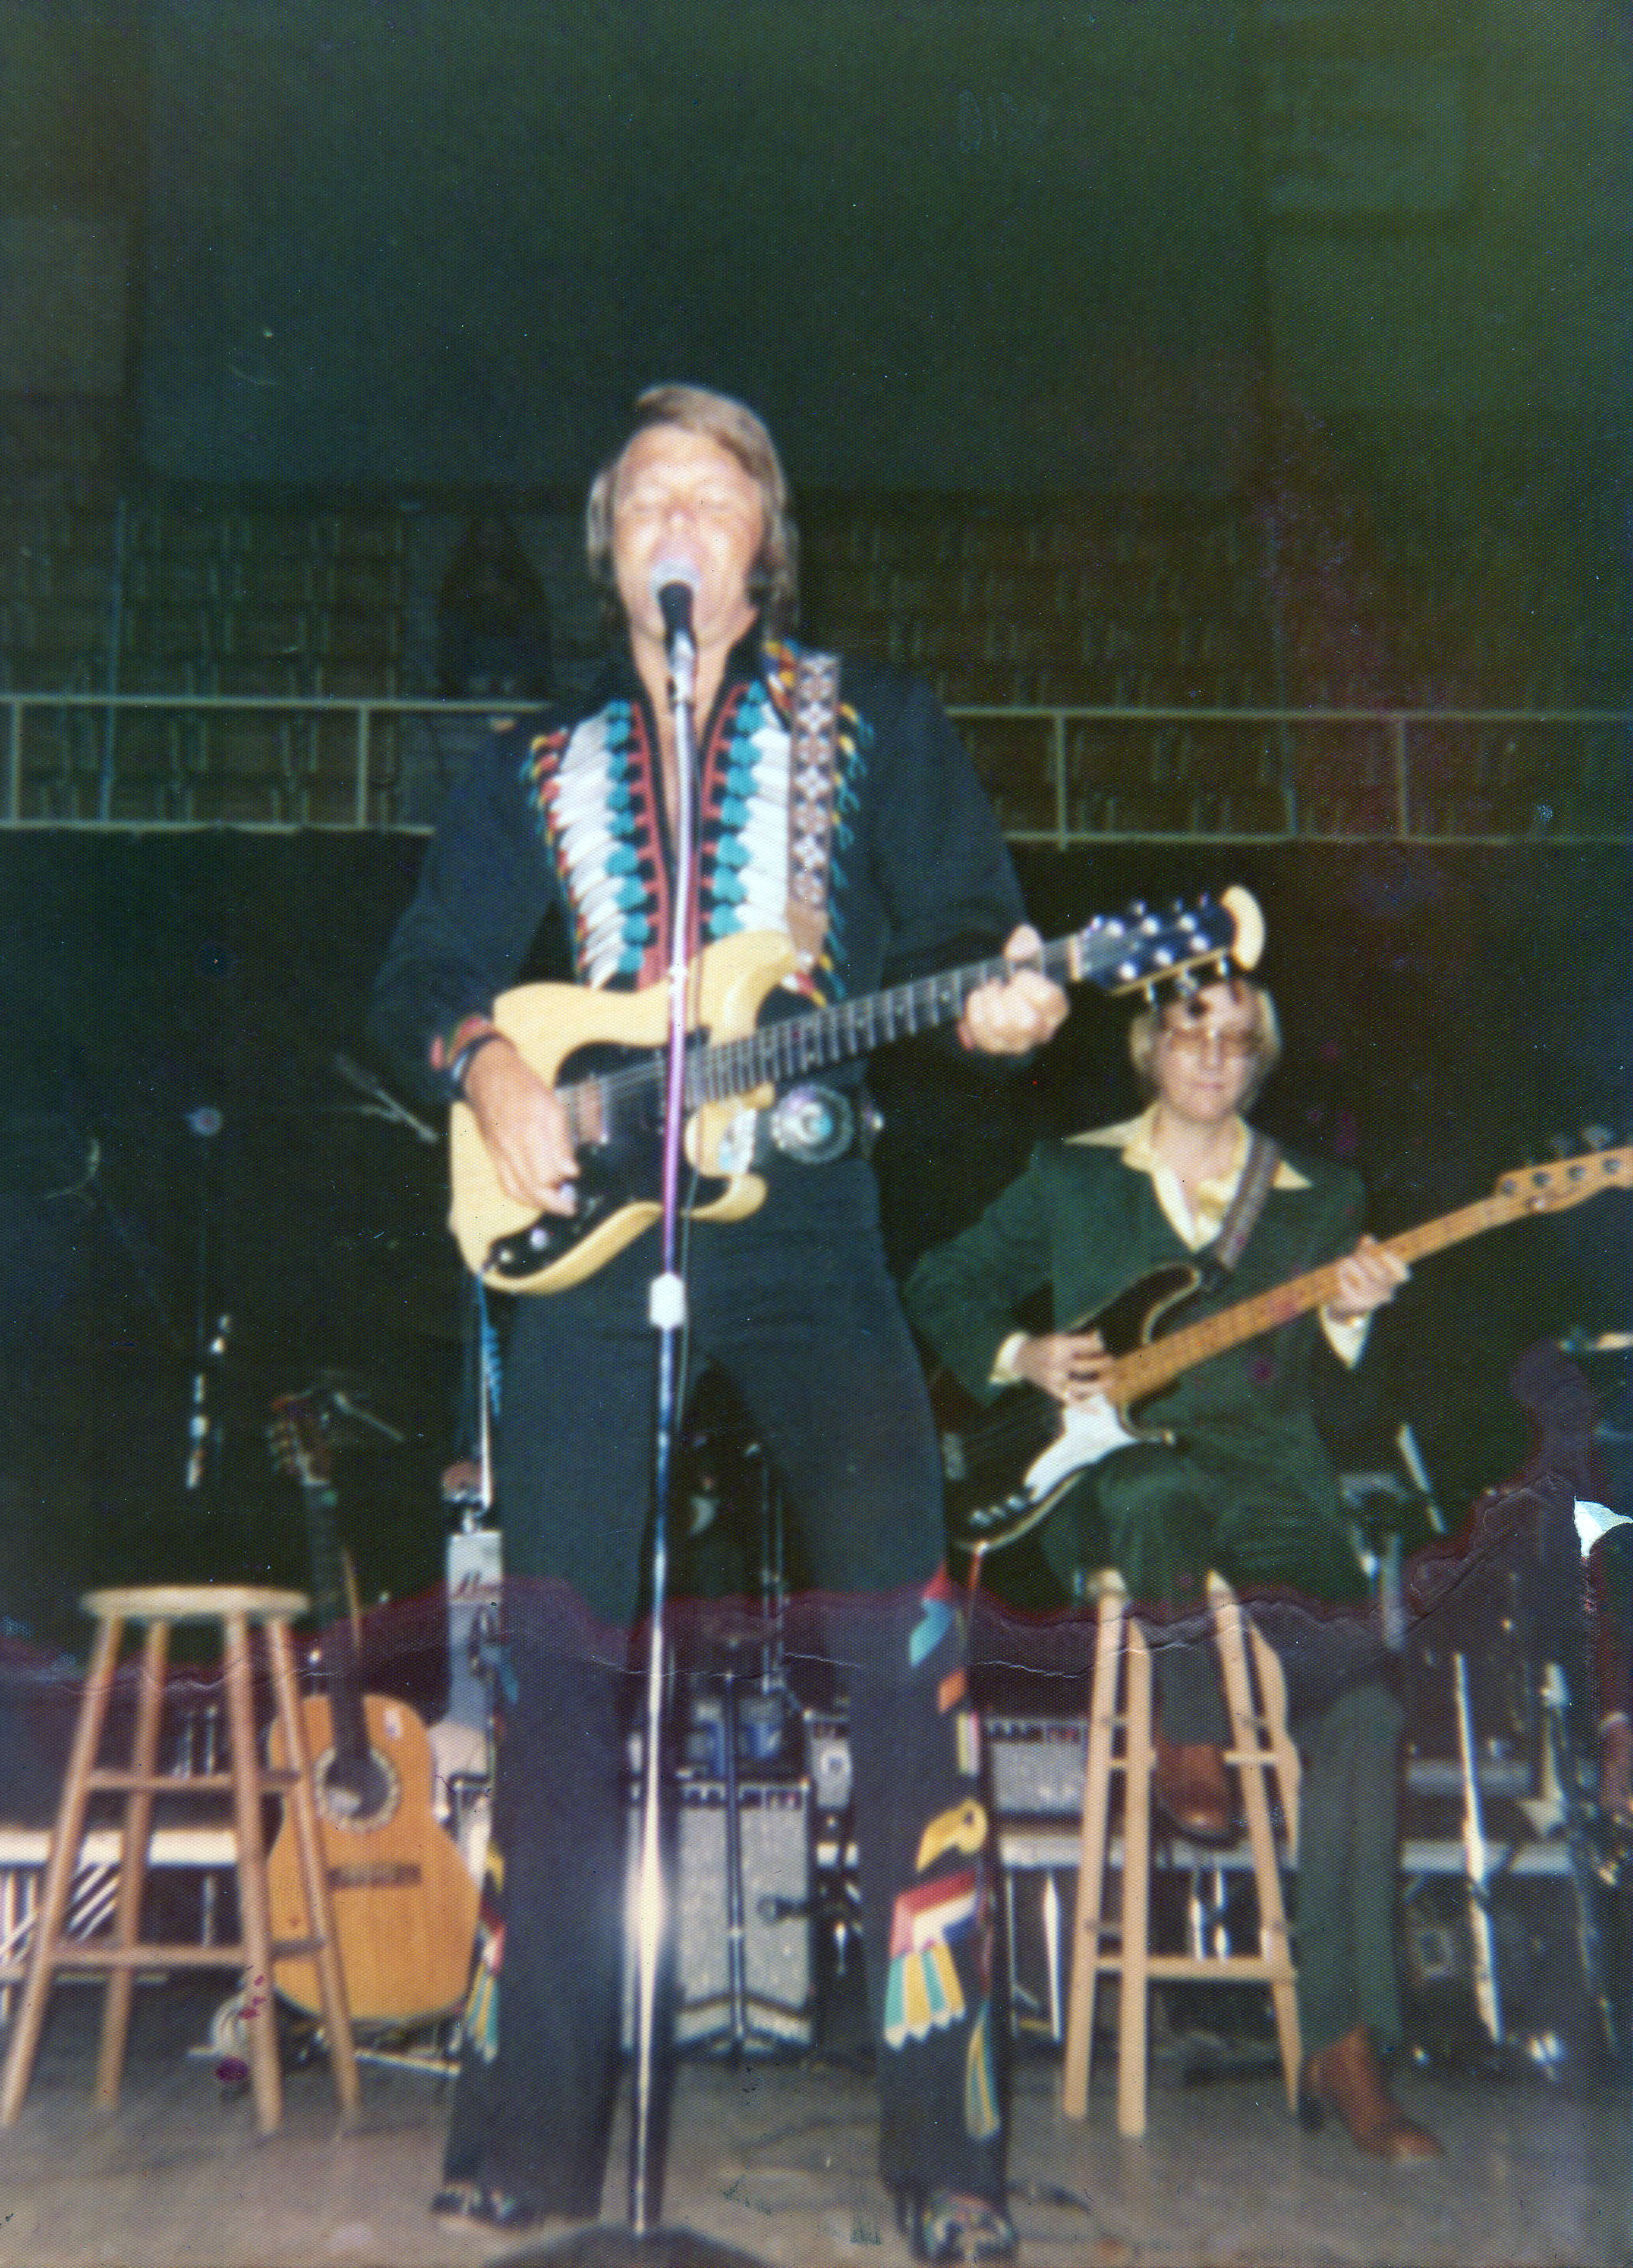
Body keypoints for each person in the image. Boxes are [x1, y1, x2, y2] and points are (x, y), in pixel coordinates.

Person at [370, 384, 1068, 2261]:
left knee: (905, 1663)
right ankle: (527, 2143)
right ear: (609, 552)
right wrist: (491, 1067)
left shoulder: (879, 726)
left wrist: (1008, 997)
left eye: (716, 489)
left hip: (812, 1222)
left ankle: (951, 2159)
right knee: (556, 1676)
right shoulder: (535, 763)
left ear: (763, 549)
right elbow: (426, 970)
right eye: (644, 495)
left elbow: (974, 926)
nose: (677, 513)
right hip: (599, 1236)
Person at [905, 975, 1445, 2165]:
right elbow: (939, 1280)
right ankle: (1183, 1732)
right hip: (1112, 1485)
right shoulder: (1070, 1171)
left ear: (1259, 1059)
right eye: (1191, 1032)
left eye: (1237, 1039)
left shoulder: (1321, 1196)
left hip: (1272, 1481)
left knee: (1360, 1702)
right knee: (1154, 1491)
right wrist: (1022, 1350)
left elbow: (1352, 1401)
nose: (1211, 1054)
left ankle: (1343, 2036)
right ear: (1151, 1045)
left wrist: (1353, 1318)